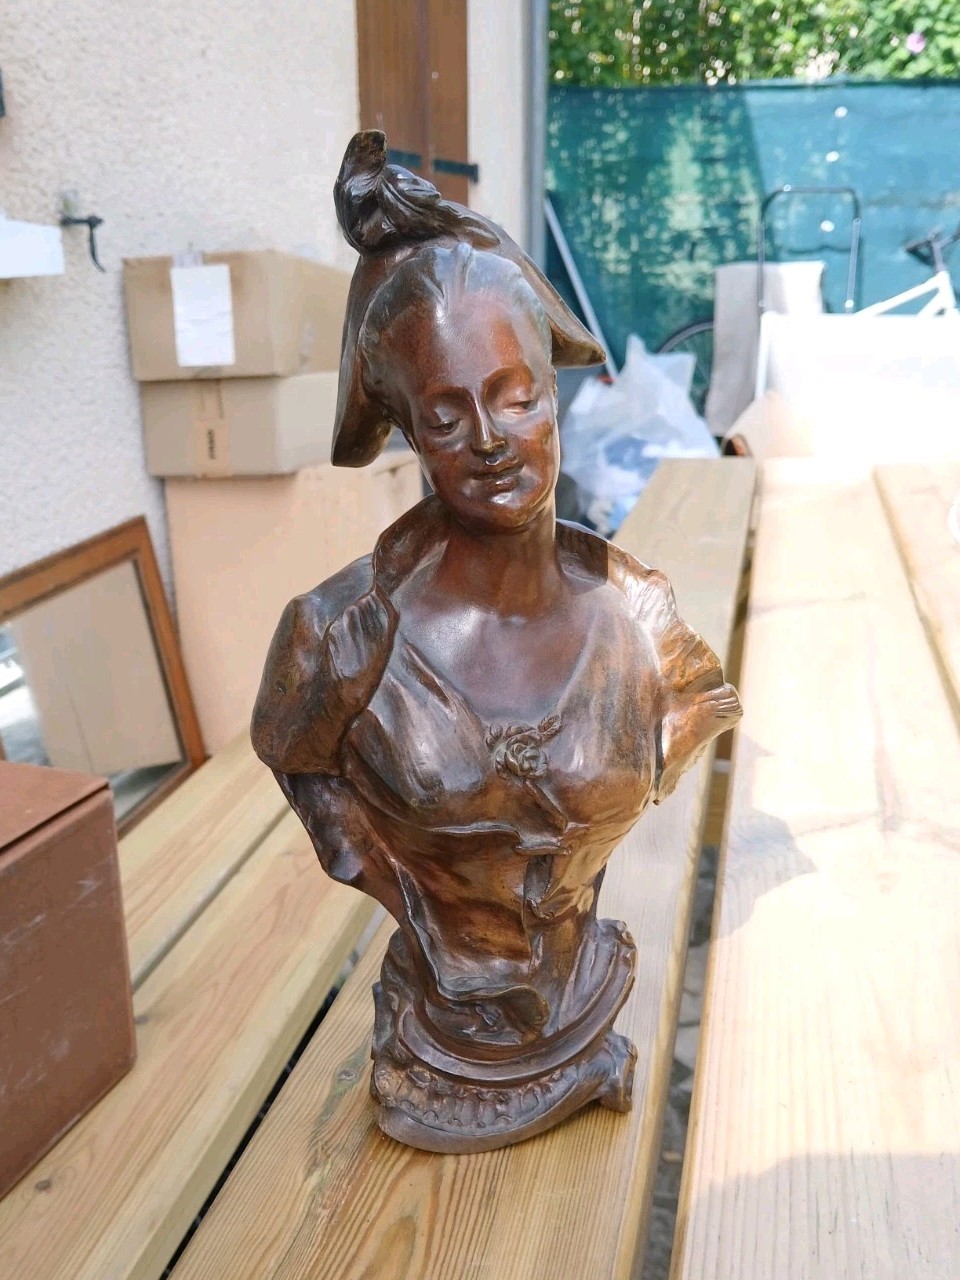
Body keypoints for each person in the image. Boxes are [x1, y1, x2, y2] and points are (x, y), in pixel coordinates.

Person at [251, 131, 741, 1153]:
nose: (489, 438)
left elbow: (688, 718)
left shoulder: (644, 626)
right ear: (407, 432)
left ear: (553, 398)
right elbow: (300, 762)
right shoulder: (336, 641)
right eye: (445, 416)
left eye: (518, 397)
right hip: (441, 1033)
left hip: (586, 991)